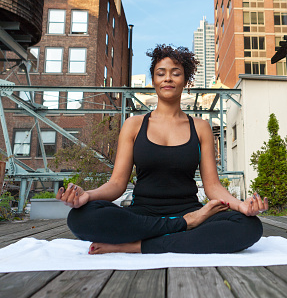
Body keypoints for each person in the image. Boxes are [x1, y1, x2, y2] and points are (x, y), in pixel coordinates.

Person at [57, 44, 268, 254]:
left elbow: (212, 186)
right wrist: (88, 196)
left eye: (176, 74)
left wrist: (240, 205)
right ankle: (182, 227)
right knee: (80, 217)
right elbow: (117, 184)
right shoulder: (134, 125)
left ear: (185, 81)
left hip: (191, 210)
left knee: (249, 226)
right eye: (161, 73)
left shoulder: (200, 127)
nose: (168, 78)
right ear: (153, 81)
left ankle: (138, 246)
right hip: (142, 215)